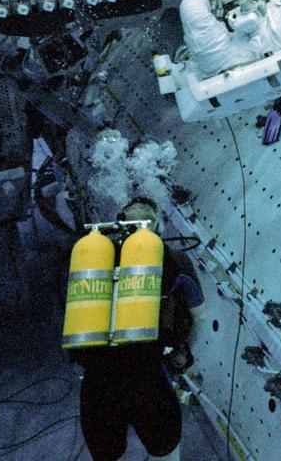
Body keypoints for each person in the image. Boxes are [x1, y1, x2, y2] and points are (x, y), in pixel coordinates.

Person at [71, 197, 204, 461]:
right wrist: (184, 353)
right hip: (147, 380)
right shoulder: (175, 261)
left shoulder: (91, 257)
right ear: (158, 228)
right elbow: (198, 316)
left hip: (96, 387)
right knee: (164, 451)